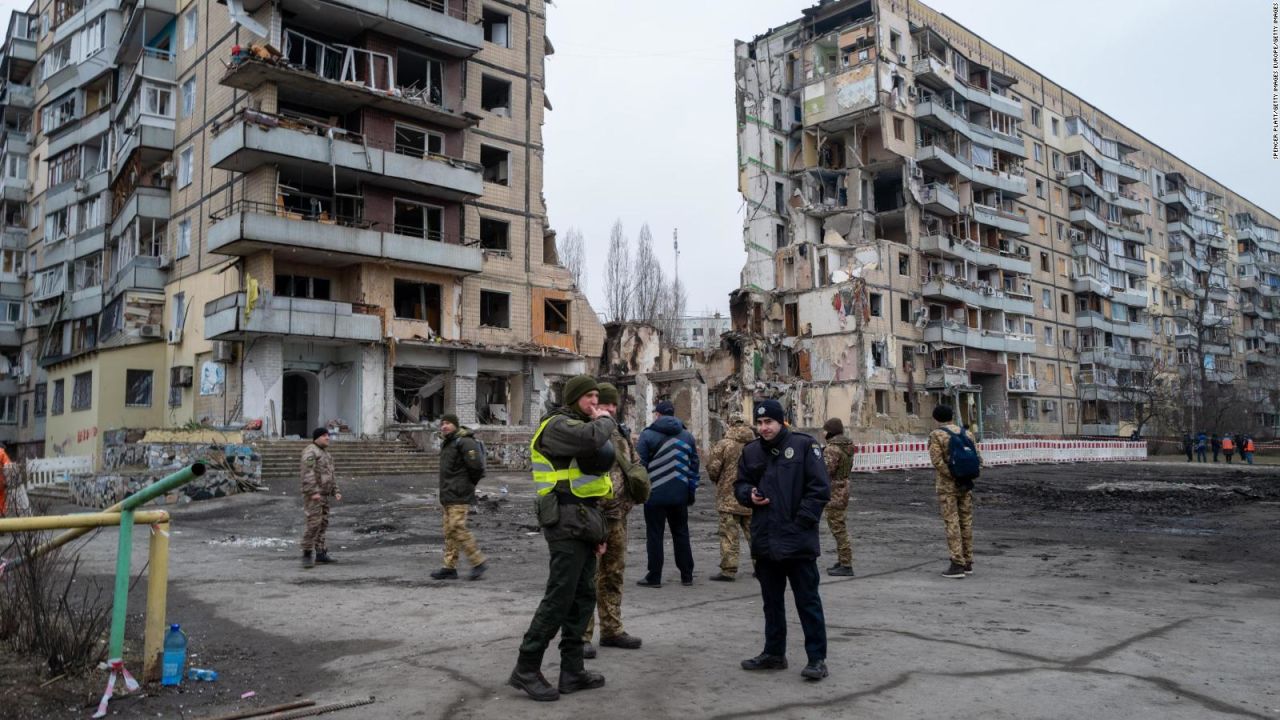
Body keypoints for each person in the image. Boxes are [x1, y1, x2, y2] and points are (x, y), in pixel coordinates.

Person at [509, 374, 615, 702]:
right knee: (559, 597)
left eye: (597, 397)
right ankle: (526, 667)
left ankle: (572, 671)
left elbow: (590, 489)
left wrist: (600, 533)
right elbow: (590, 439)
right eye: (589, 397)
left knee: (583, 596)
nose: (594, 402)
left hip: (584, 521)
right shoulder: (558, 426)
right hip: (564, 524)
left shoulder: (579, 423)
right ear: (573, 398)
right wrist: (607, 419)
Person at [734, 398, 831, 681]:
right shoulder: (750, 452)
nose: (764, 428)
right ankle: (774, 653)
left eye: (769, 423)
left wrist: (801, 522)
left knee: (808, 601)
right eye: (760, 423)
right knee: (771, 601)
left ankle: (816, 659)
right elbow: (739, 484)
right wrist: (748, 494)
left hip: (798, 542)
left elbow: (819, 489)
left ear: (781, 422)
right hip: (765, 540)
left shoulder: (803, 446)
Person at [582, 383, 647, 658]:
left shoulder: (619, 431)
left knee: (614, 574)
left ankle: (612, 629)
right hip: (592, 516)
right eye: (603, 404)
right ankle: (581, 635)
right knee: (586, 578)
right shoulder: (586, 433)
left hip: (618, 516)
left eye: (611, 405)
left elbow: (634, 463)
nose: (608, 409)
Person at [636, 401, 700, 587]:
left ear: (658, 415)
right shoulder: (687, 436)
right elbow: (694, 466)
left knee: (655, 535)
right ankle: (687, 575)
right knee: (681, 533)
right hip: (680, 495)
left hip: (655, 495)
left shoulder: (647, 435)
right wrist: (690, 489)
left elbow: (640, 466)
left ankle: (654, 577)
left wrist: (641, 491)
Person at [430, 413, 488, 581]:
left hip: (459, 494)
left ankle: (478, 561)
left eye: (448, 423)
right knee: (449, 531)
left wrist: (467, 485)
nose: (444, 426)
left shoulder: (465, 441)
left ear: (455, 425)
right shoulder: (448, 443)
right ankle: (449, 567)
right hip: (448, 494)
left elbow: (477, 467)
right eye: (442, 424)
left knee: (457, 527)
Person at [928, 405, 978, 579]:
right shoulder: (967, 433)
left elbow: (937, 461)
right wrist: (963, 477)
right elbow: (978, 459)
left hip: (948, 487)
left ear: (936, 419)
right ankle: (968, 561)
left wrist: (952, 475)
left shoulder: (937, 435)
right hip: (966, 484)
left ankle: (957, 563)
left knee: (952, 523)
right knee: (966, 521)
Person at [706, 413, 755, 582]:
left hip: (728, 498)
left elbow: (713, 468)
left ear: (730, 423)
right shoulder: (756, 445)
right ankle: (762, 566)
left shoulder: (724, 444)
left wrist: (719, 480)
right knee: (755, 534)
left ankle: (729, 570)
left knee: (728, 535)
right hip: (752, 498)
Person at [300, 428, 341, 569]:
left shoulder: (326, 454)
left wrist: (336, 490)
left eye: (328, 435)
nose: (328, 438)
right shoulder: (311, 452)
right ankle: (306, 553)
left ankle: (321, 553)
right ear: (317, 437)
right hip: (314, 495)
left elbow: (331, 474)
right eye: (324, 436)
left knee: (323, 524)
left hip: (324, 495)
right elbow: (307, 472)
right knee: (314, 524)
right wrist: (312, 491)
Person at [821, 418, 856, 577]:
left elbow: (825, 470)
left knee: (838, 528)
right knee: (839, 525)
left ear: (830, 431)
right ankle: (843, 560)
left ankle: (846, 564)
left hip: (834, 490)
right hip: (844, 487)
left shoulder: (832, 449)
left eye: (825, 430)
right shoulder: (847, 446)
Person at [0, 441, 12, 517]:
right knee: (1, 499)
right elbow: (8, 467)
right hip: (0, 482)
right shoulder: (2, 453)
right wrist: (8, 481)